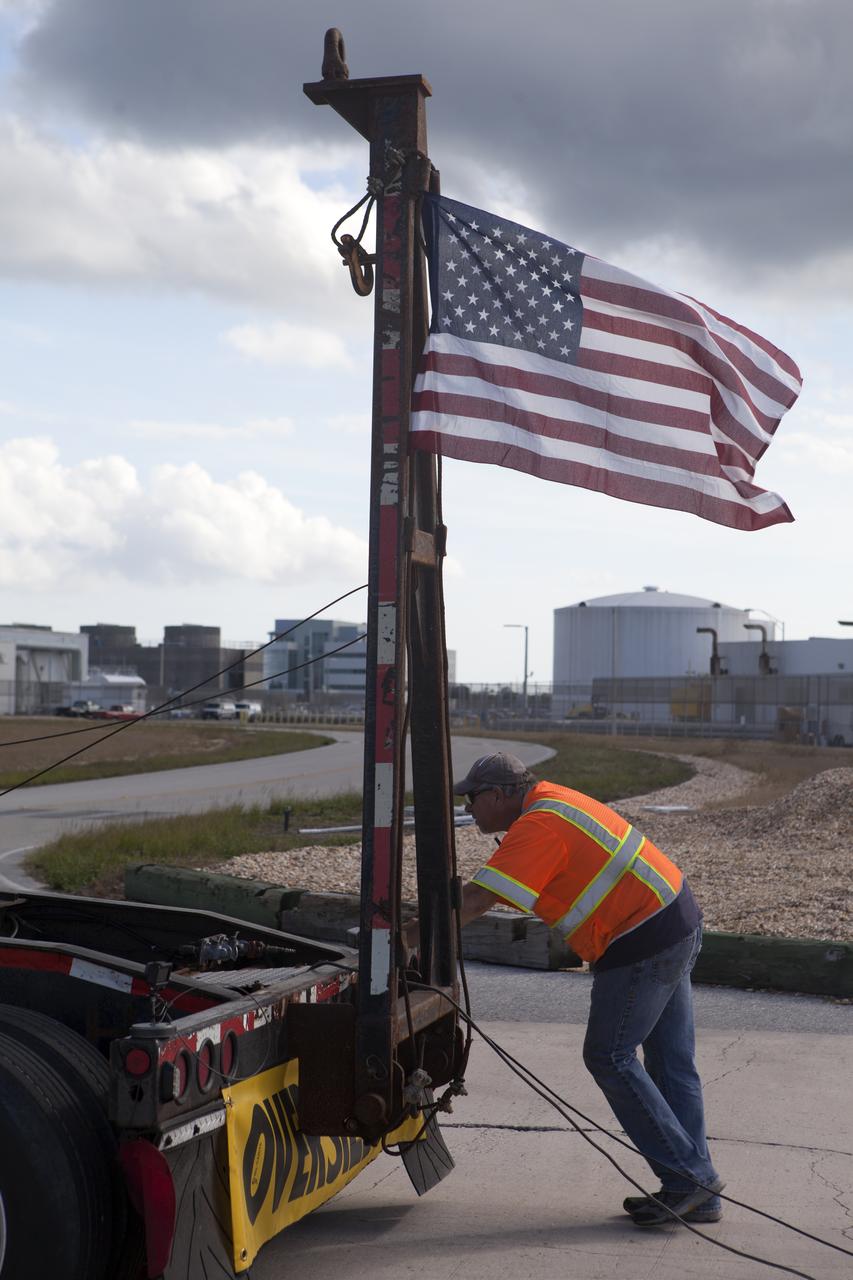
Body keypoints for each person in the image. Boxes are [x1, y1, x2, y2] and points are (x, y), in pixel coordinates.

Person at [424, 750, 724, 1227]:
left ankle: (690, 1179)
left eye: (473, 799)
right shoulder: (555, 801)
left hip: (640, 940)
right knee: (671, 1063)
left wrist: (411, 936)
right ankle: (694, 1191)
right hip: (674, 920)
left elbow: (479, 899)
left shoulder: (538, 825)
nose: (469, 810)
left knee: (609, 1056)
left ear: (500, 795)